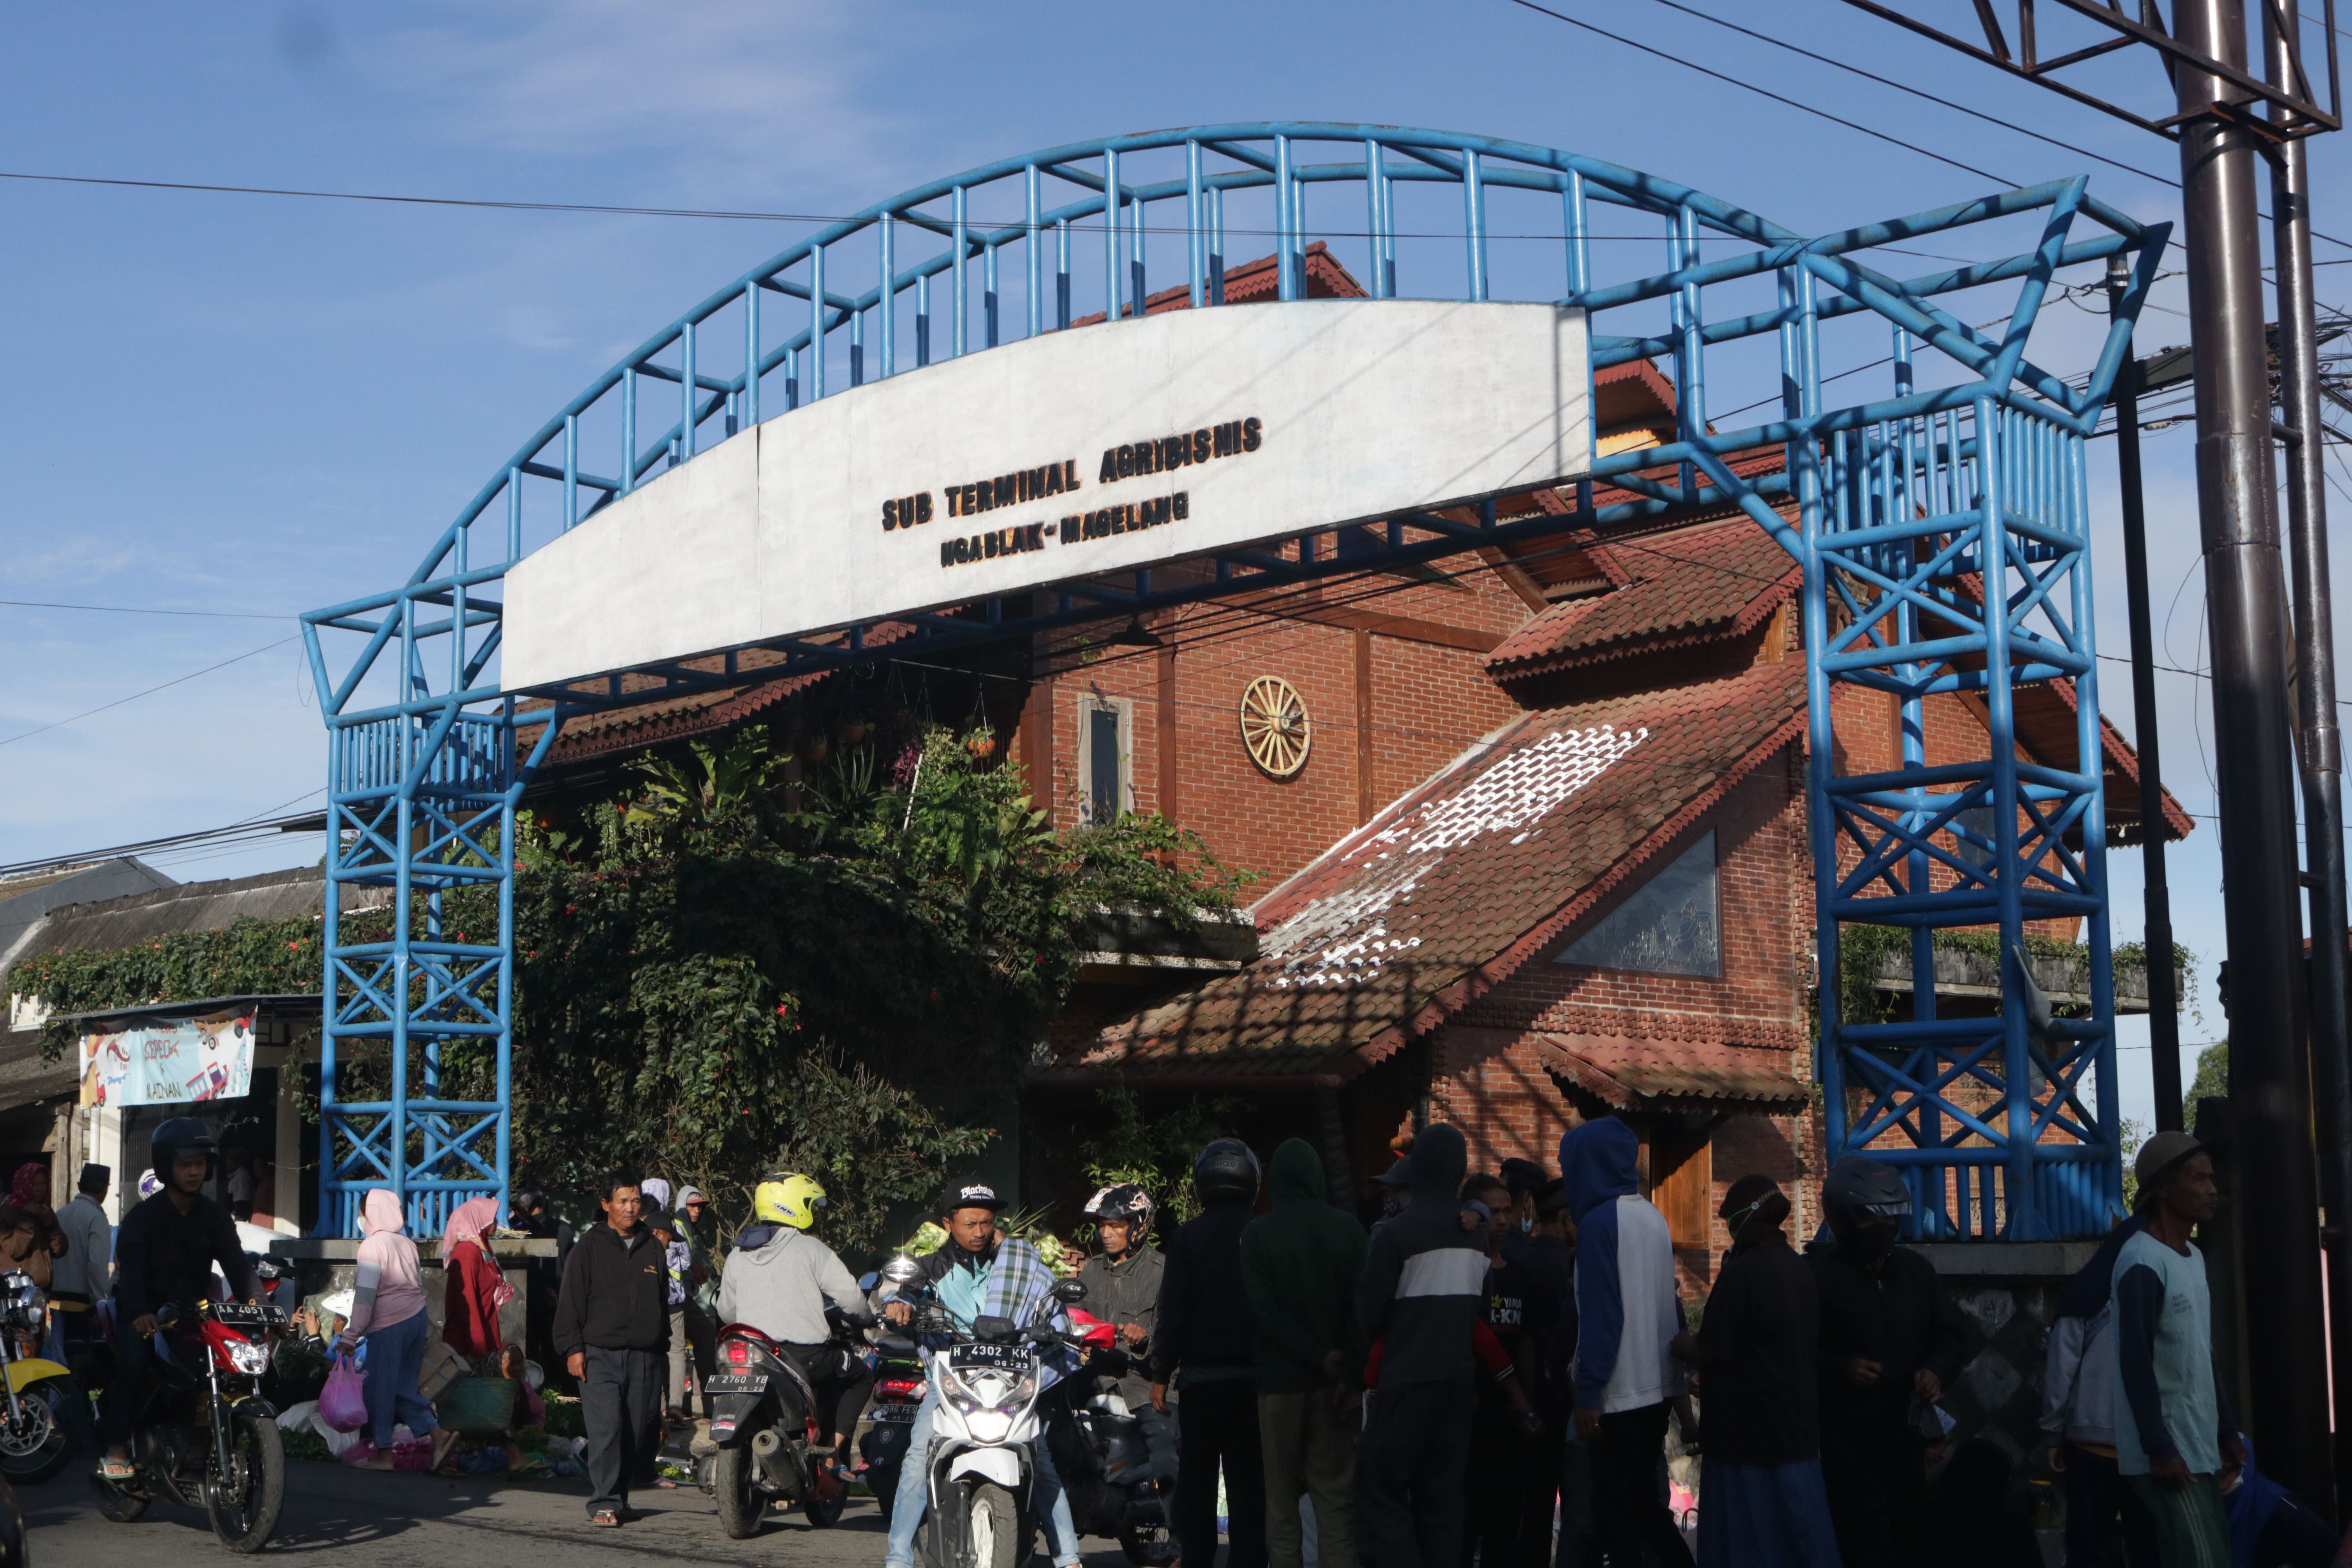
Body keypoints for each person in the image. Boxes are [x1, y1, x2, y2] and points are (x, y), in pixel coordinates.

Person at [879, 1182, 1083, 1568]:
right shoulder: (931, 1267)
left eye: (987, 1222)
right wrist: (900, 1307)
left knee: (1040, 1460)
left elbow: (1046, 1300)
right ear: (948, 1223)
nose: (979, 1231)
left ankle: (1069, 1556)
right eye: (969, 1223)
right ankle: (898, 1555)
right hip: (951, 1380)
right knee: (918, 1457)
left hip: (1009, 1380)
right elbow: (904, 1294)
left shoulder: (1017, 1263)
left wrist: (1050, 1324)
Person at [1806, 1156, 1970, 1568]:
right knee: (1859, 1542)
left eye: (1891, 1217)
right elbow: (1794, 1352)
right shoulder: (1815, 1277)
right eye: (1869, 1219)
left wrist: (1936, 1371)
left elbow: (1951, 1334)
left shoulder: (1916, 1272)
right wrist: (1840, 1368)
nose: (1883, 1228)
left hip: (1906, 1442)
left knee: (1911, 1537)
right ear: (1843, 1220)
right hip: (1846, 1446)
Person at [1669, 1175, 1837, 1568]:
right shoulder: (1798, 1267)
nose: (1727, 1227)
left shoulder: (1743, 1273)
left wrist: (1681, 1343)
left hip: (1747, 1441)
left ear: (1746, 1218)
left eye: (1730, 1219)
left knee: (1749, 1543)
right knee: (1799, 1539)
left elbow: (1713, 1347)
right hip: (1795, 1431)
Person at [1559, 1116, 1693, 1568]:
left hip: (1617, 1395)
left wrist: (1590, 1390)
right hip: (1654, 1388)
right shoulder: (1651, 1216)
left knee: (1615, 1513)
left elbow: (1602, 1315)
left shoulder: (1598, 1223)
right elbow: (1666, 1307)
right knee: (1643, 1508)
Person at [1354, 1123, 1487, 1568]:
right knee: (1443, 1503)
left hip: (1405, 1383)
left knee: (1380, 1492)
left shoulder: (1396, 1234)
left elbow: (1367, 1317)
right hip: (1457, 1388)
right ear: (1460, 1169)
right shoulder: (1476, 1233)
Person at [2113, 1131, 2243, 1567]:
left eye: (2212, 1179)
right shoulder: (2142, 1261)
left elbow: (2200, 1355)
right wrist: (2159, 1447)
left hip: (2198, 1443)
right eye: (2200, 1179)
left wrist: (2226, 1430)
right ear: (2165, 1188)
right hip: (2170, 1451)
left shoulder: (2193, 1257)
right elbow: (2134, 1360)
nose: (2212, 1190)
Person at [100, 1117, 255, 1480]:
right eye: (185, 1165)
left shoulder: (215, 1217)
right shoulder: (142, 1219)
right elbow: (133, 1271)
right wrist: (140, 1312)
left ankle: (199, 1443)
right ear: (166, 1166)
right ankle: (117, 1447)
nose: (193, 1173)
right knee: (135, 1364)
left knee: (218, 1370)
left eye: (199, 1164)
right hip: (142, 1313)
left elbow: (237, 1263)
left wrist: (260, 1306)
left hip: (191, 1314)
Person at [1240, 1140, 1365, 1568]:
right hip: (1337, 1387)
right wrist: (1349, 1367)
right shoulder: (1348, 1229)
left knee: (1281, 1502)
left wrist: (1314, 1354)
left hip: (1278, 1384)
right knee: (1334, 1500)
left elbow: (1264, 1312)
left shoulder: (1258, 1234)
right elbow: (1363, 1307)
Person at [1152, 1139, 1269, 1568]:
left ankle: (1197, 1559)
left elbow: (1172, 1312)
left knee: (1197, 1486)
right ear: (1251, 1181)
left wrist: (1161, 1373)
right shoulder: (1263, 1232)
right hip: (1254, 1383)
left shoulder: (1186, 1238)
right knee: (1248, 1486)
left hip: (1201, 1383)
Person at [712, 1174, 874, 1464]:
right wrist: (867, 1318)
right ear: (795, 1205)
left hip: (752, 1354)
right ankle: (833, 1454)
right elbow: (852, 1301)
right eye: (809, 1204)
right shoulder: (812, 1249)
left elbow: (726, 1312)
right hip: (805, 1358)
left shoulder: (738, 1253)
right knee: (862, 1376)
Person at [554, 1168, 670, 1527]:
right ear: (606, 1204)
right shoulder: (588, 1248)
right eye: (623, 1201)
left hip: (645, 1356)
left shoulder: (652, 1245)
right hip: (599, 1355)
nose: (630, 1208)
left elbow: (662, 1299)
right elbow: (570, 1302)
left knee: (637, 1430)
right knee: (607, 1430)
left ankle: (620, 1499)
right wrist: (574, 1348)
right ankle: (604, 1502)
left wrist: (661, 1347)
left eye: (636, 1201)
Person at [2040, 1210, 2152, 1568]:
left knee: (2089, 1550)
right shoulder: (2159, 1283)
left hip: (2090, 1443)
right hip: (2151, 1447)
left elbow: (2061, 1370)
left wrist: (2053, 1434)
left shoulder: (2085, 1289)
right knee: (2151, 1548)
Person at [335, 1187, 457, 1472]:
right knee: (403, 1387)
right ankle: (438, 1436)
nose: (362, 1217)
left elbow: (366, 1297)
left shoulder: (372, 1246)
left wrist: (351, 1334)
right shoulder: (406, 1243)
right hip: (416, 1317)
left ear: (371, 1213)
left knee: (381, 1389)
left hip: (389, 1324)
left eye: (363, 1211)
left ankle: (383, 1453)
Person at [1461, 1170, 1540, 1568]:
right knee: (1466, 1517)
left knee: (1506, 1518)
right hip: (1469, 1413)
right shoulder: (1464, 1272)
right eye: (1494, 1212)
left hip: (1510, 1417)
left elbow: (1525, 1339)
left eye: (1508, 1210)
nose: (1504, 1220)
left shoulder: (1520, 1272)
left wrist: (1527, 1403)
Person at [1075, 1183, 1177, 1483]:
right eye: (1102, 1226)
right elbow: (1070, 1316)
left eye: (1115, 1226)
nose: (1105, 1233)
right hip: (1098, 1375)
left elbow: (1172, 1334)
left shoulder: (1162, 1272)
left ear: (1138, 1227)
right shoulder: (1091, 1270)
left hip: (1147, 1382)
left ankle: (1178, 1528)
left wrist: (1144, 1340)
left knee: (1165, 1457)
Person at [1516, 1180, 1588, 1568]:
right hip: (1576, 1404)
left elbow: (1524, 1339)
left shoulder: (1519, 1261)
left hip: (1531, 1405)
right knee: (1580, 1514)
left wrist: (1526, 1405)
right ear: (1565, 1217)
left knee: (1535, 1511)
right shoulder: (1578, 1264)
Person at [441, 1195, 528, 1469]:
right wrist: (480, 1345)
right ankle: (509, 1457)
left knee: (484, 1401)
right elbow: (466, 1303)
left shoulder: (480, 1248)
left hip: (482, 1339)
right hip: (470, 1342)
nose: (495, 1223)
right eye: (491, 1217)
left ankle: (465, 1456)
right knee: (488, 1401)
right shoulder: (468, 1253)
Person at [513, 1185, 573, 1377]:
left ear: (523, 1207)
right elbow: (568, 1263)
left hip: (528, 1297)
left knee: (531, 1349)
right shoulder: (563, 1228)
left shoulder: (520, 1231)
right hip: (560, 1297)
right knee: (555, 1349)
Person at [52, 1163, 110, 1352]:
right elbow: (97, 1265)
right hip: (84, 1307)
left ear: (79, 1186)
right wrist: (101, 1304)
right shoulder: (97, 1218)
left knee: (59, 1358)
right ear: (104, 1189)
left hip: (56, 1303)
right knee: (83, 1362)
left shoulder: (60, 1214)